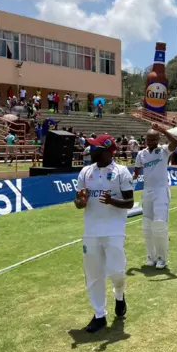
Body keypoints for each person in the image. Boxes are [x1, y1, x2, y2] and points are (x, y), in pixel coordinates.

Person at [74, 134, 134, 333]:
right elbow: (78, 202)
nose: (90, 151)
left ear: (108, 151)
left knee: (116, 272)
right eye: (91, 147)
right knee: (93, 274)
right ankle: (99, 314)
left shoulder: (121, 172)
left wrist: (112, 201)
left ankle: (119, 294)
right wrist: (80, 202)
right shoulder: (85, 172)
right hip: (91, 231)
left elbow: (130, 203)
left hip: (114, 230)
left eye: (95, 148)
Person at [133, 124, 177, 269]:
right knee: (147, 226)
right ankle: (150, 257)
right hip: (147, 192)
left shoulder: (164, 151)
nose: (150, 142)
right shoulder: (141, 154)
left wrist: (163, 130)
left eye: (153, 139)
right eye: (148, 139)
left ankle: (162, 258)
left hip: (161, 191)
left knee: (159, 225)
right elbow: (136, 172)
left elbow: (175, 142)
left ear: (158, 139)